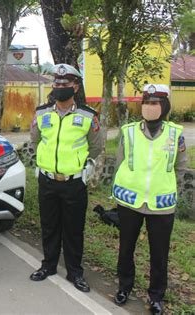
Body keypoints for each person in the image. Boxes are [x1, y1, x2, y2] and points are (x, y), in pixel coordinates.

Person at [112, 84, 187, 314]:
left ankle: (156, 296)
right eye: (146, 102)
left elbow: (181, 167)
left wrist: (168, 187)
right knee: (126, 249)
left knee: (159, 254)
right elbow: (120, 163)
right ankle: (124, 287)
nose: (149, 107)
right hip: (130, 202)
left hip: (161, 205)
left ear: (164, 106)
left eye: (154, 103)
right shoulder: (130, 131)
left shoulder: (175, 133)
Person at [29, 64, 103, 292]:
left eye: (65, 84)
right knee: (49, 226)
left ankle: (75, 271)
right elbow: (34, 140)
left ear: (76, 87)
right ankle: (48, 265)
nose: (60, 87)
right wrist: (39, 164)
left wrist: (85, 171)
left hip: (74, 183)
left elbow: (96, 148)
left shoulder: (88, 116)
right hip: (47, 181)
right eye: (57, 84)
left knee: (73, 229)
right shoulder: (41, 113)